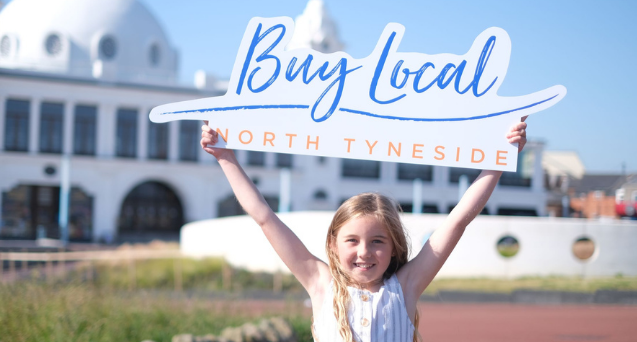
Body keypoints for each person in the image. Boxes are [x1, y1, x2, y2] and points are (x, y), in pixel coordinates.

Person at [200, 119, 528, 342]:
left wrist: (498, 163)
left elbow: (457, 220)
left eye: (377, 241)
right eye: (352, 240)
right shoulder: (320, 282)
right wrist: (225, 157)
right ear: (333, 243)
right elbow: (264, 217)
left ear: (395, 247)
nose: (364, 252)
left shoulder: (406, 286)